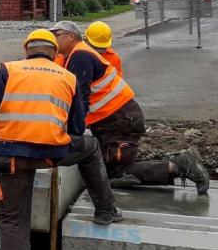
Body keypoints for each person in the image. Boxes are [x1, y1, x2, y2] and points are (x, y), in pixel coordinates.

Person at [0, 29, 123, 250]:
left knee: (13, 221)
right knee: (90, 147)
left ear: (27, 50)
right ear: (55, 53)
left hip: (11, 156)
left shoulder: (9, 69)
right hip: (50, 153)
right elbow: (78, 127)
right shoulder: (66, 76)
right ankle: (105, 209)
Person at [52, 20, 209, 194]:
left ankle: (180, 165)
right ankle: (175, 166)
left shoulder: (80, 55)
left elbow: (81, 96)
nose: (53, 40)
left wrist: (74, 130)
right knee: (108, 169)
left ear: (70, 36)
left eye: (56, 35)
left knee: (117, 173)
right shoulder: (74, 55)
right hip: (115, 119)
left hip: (119, 120)